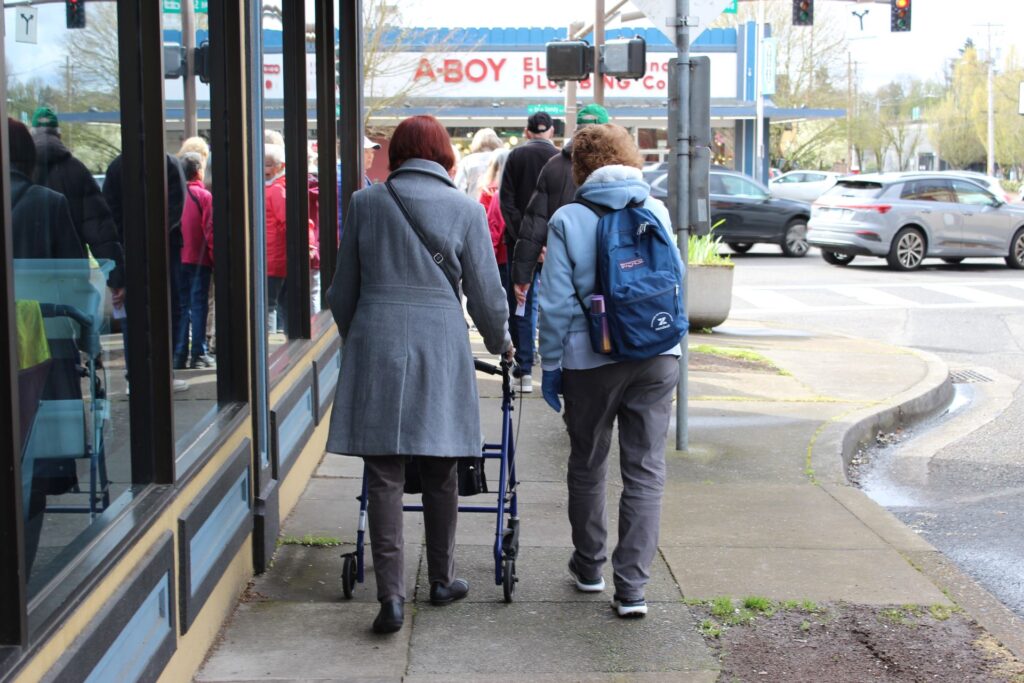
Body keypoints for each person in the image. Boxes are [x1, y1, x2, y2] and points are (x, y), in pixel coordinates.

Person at [326, 115, 512, 635]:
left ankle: (389, 597)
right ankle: (441, 579)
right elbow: (485, 295)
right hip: (440, 344)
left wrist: (361, 334)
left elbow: (342, 292)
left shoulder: (366, 205)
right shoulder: (464, 208)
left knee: (383, 473)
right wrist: (503, 345)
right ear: (443, 156)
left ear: (399, 153)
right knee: (441, 465)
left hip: (377, 339)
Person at [537, 123, 682, 619]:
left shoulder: (568, 218)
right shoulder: (655, 208)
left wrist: (550, 365)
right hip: (658, 354)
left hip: (590, 358)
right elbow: (676, 278)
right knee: (645, 471)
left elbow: (554, 303)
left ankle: (590, 566)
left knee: (588, 462)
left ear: (579, 167)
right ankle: (634, 589)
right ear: (628, 158)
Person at [103, 152, 190, 390]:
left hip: (129, 248)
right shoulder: (168, 163)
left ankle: (136, 376)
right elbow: (176, 207)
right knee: (168, 309)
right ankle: (163, 374)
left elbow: (110, 215)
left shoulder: (118, 166)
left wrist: (126, 242)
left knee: (134, 312)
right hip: (165, 247)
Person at [512, 104, 610, 307]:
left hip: (564, 268)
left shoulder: (554, 166)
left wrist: (522, 275)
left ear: (576, 131)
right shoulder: (620, 169)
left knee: (562, 329)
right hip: (611, 268)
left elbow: (534, 223)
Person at [30, 106, 125, 299]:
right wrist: (116, 279)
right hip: (71, 276)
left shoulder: (17, 174)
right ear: (59, 134)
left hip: (27, 277)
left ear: (32, 135)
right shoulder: (76, 171)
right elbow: (100, 230)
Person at [498, 111, 559, 392]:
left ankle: (523, 369)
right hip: (555, 245)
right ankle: (554, 366)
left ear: (526, 132)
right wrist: (548, 242)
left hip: (520, 243)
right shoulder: (560, 160)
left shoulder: (515, 157)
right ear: (552, 131)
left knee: (521, 303)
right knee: (556, 303)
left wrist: (524, 237)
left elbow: (506, 202)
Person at [177, 152, 215, 369]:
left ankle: (179, 353)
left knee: (183, 306)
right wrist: (214, 257)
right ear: (198, 171)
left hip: (178, 259)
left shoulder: (175, 195)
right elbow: (209, 230)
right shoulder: (203, 196)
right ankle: (198, 353)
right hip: (199, 260)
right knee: (199, 305)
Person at [264, 144, 288, 334]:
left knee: (272, 303)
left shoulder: (272, 189)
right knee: (272, 304)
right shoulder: (277, 190)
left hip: (272, 256)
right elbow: (286, 222)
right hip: (276, 256)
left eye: (269, 164)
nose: (265, 169)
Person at [337, 136, 380, 237]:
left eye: (372, 152)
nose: (371, 156)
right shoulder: (347, 174)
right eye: (366, 151)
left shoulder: (357, 173)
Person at [478, 149, 510, 268]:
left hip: (496, 253)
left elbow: (488, 226)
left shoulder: (488, 191)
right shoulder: (518, 191)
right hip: (510, 252)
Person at [454, 128, 502, 196]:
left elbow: (458, 187)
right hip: (496, 204)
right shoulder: (501, 159)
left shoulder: (467, 161)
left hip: (473, 203)